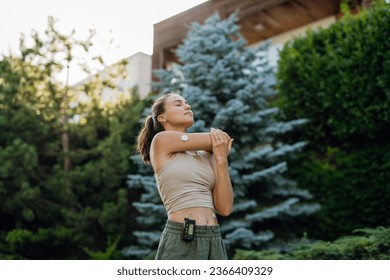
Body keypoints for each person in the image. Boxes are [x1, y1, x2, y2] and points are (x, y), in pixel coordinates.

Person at [137, 93, 234, 260]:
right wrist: (220, 145)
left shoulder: (206, 154)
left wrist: (221, 160)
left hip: (214, 239)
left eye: (187, 103)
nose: (187, 106)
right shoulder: (161, 140)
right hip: (182, 236)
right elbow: (220, 139)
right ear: (162, 117)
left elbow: (225, 208)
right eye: (178, 104)